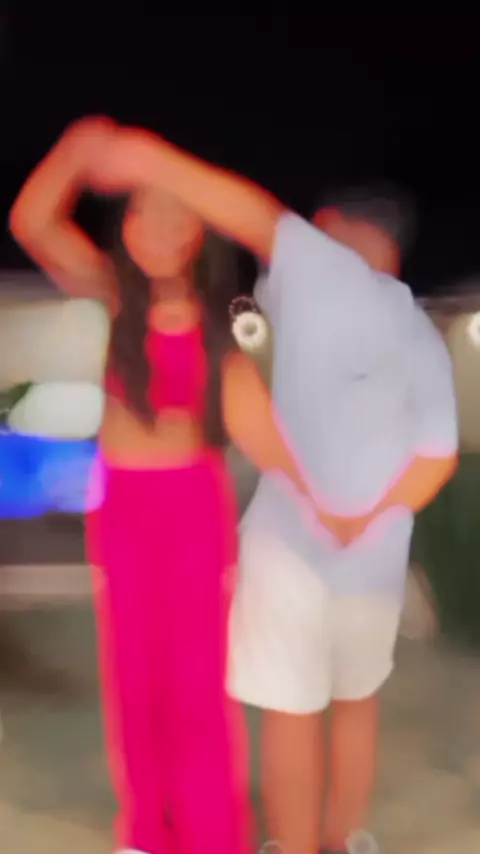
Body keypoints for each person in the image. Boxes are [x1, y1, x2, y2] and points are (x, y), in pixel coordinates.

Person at [86, 134, 457, 853]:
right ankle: (340, 837)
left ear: (331, 225)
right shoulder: (416, 330)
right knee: (353, 700)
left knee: (292, 707)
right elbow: (436, 458)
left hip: (292, 542)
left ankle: (290, 842)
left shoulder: (317, 271)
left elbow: (250, 213)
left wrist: (147, 157)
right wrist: (362, 518)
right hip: (366, 554)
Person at [8, 116, 319, 854]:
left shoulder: (222, 326)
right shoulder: (112, 294)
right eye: (145, 212)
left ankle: (213, 834)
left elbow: (261, 432)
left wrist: (326, 504)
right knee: (134, 678)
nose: (158, 230)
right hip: (123, 506)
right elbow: (32, 222)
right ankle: (148, 830)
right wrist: (79, 147)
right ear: (127, 225)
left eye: (178, 217)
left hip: (191, 505)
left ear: (198, 234)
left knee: (196, 682)